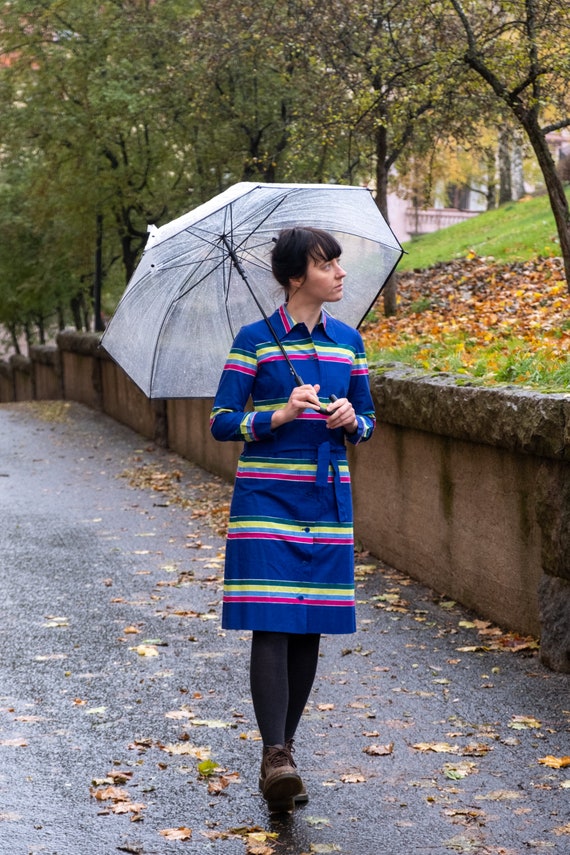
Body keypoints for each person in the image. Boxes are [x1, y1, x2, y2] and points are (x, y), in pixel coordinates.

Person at [210, 226, 376, 813]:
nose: (339, 272)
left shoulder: (348, 343)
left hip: (327, 501)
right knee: (273, 622)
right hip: (265, 499)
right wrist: (277, 415)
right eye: (327, 263)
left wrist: (350, 420)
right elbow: (222, 420)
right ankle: (274, 754)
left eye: (338, 262)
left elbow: (369, 423)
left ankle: (285, 752)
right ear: (294, 276)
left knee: (309, 625)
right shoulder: (254, 340)